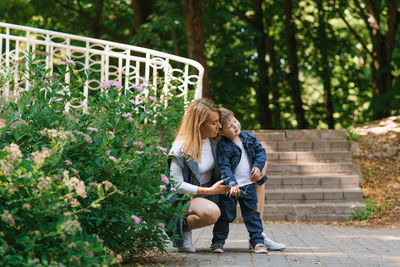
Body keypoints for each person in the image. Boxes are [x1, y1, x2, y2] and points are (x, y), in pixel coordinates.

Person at [210, 107, 285, 254]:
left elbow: (260, 153)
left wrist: (258, 167)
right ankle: (217, 242)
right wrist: (231, 183)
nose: (236, 126)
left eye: (235, 121)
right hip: (230, 188)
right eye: (230, 126)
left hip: (249, 185)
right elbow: (224, 166)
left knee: (252, 215)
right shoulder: (223, 146)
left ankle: (257, 242)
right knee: (225, 216)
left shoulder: (249, 137)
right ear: (222, 132)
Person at [166, 98, 228, 253]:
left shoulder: (214, 141)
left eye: (219, 121)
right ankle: (178, 228)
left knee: (254, 184)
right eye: (214, 123)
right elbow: (176, 185)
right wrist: (209, 191)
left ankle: (258, 236)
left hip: (209, 192)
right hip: (183, 197)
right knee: (211, 213)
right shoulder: (180, 147)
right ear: (199, 124)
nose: (219, 126)